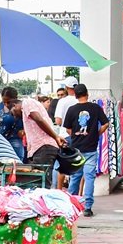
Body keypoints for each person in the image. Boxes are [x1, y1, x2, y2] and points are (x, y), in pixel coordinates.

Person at [63, 84, 109, 217]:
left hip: (76, 149)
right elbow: (106, 123)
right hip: (91, 148)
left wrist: (76, 135)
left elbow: (68, 129)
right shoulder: (95, 108)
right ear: (87, 94)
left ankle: (71, 205)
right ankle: (87, 207)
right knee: (89, 178)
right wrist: (97, 133)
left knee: (75, 177)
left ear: (75, 95)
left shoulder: (71, 109)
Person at [13, 95, 65, 183]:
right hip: (43, 147)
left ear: (15, 105)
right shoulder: (32, 105)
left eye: (12, 113)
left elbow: (39, 119)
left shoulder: (27, 103)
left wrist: (56, 136)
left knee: (41, 182)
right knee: (41, 181)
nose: (14, 116)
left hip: (44, 146)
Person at [0, 87, 26, 160]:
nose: (6, 104)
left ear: (15, 99)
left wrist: (23, 131)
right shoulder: (0, 106)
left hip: (14, 141)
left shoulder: (20, 108)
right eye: (4, 102)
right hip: (0, 141)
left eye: (8, 102)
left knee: (15, 164)